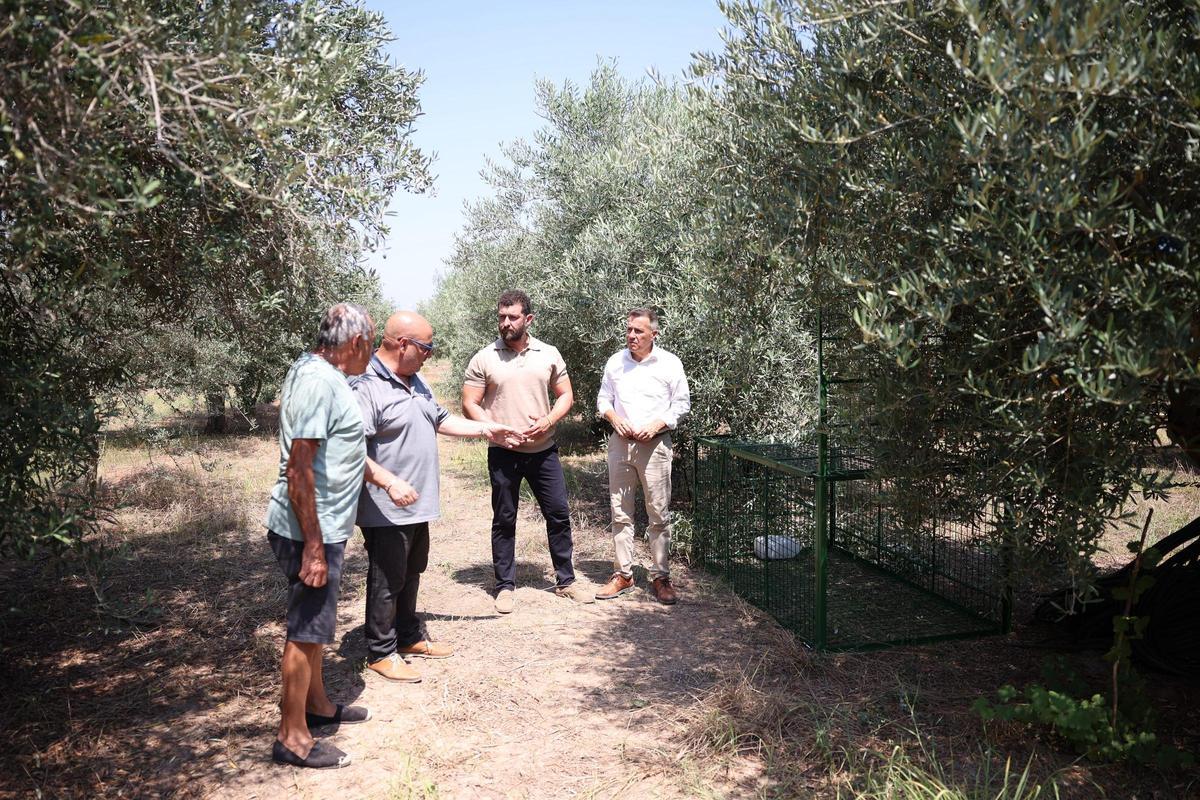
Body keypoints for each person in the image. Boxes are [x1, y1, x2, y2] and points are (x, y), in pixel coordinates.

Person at [353, 310, 525, 682]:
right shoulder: (366, 386)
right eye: (426, 348)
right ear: (403, 344)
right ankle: (381, 651)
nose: (430, 355)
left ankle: (407, 637)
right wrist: (389, 483)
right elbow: (351, 450)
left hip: (417, 503)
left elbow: (441, 419)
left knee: (411, 571)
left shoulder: (416, 380)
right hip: (386, 506)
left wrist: (487, 430)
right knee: (387, 578)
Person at [263, 302, 375, 770]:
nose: (371, 353)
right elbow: (298, 468)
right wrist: (313, 546)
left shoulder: (320, 374)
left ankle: (319, 707)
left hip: (323, 525)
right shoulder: (318, 382)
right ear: (357, 342)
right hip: (311, 528)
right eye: (371, 344)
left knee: (315, 628)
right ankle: (292, 737)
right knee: (306, 631)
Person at [461, 290, 595, 613]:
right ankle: (504, 586)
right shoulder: (484, 358)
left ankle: (566, 581)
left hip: (543, 451)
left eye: (513, 317)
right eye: (501, 317)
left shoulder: (548, 353)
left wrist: (549, 420)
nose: (505, 323)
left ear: (528, 319)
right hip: (503, 452)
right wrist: (493, 428)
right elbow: (469, 403)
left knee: (558, 514)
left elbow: (566, 395)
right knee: (504, 519)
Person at [595, 308, 691, 605]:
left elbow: (681, 404)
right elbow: (603, 399)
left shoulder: (670, 363)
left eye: (638, 331)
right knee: (620, 511)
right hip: (621, 444)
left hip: (655, 446)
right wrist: (614, 418)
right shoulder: (616, 362)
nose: (632, 335)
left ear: (654, 334)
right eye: (629, 330)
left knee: (658, 513)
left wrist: (657, 425)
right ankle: (623, 575)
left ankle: (661, 577)